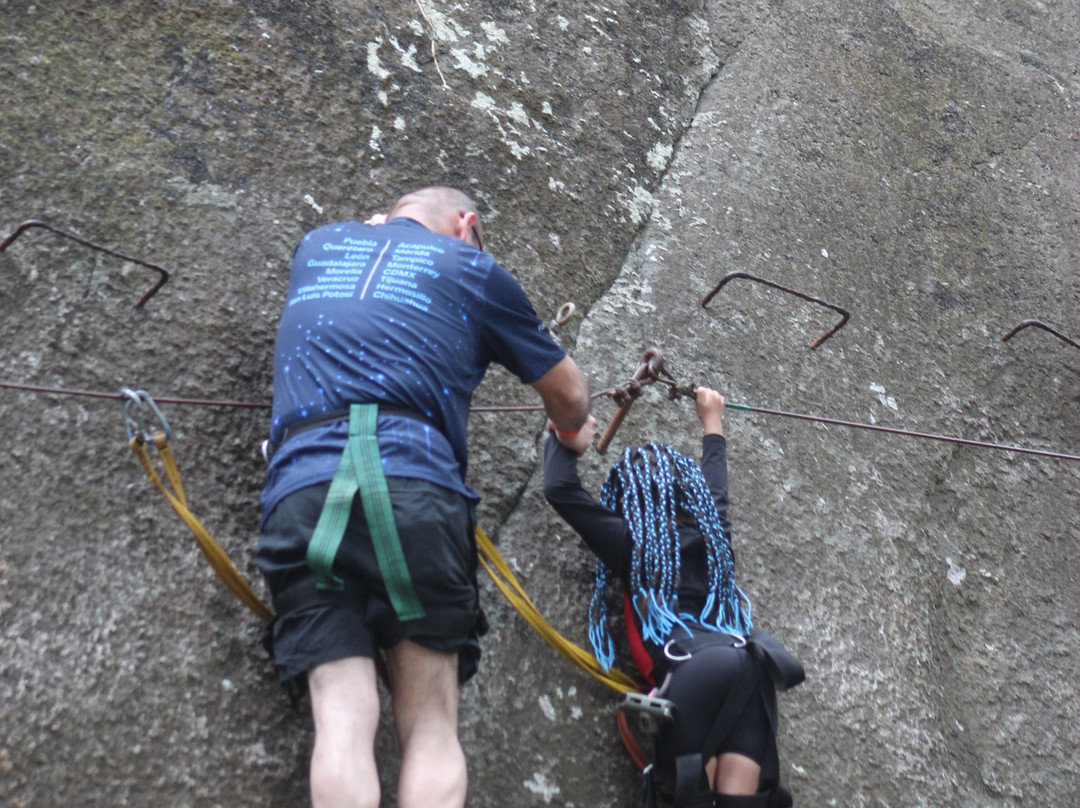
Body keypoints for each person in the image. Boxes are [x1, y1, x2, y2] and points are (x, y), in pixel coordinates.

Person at [256, 186, 591, 808]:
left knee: (340, 717)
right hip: (414, 485)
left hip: (304, 484)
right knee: (432, 725)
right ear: (466, 224)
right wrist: (572, 434)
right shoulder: (472, 268)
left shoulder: (320, 245)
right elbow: (569, 394)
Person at [542, 388, 803, 808]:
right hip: (750, 664)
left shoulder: (635, 545)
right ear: (691, 497)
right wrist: (712, 422)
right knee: (734, 798)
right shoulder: (715, 539)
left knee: (687, 796)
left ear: (633, 501)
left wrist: (563, 429)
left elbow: (561, 490)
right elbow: (716, 490)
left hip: (691, 667)